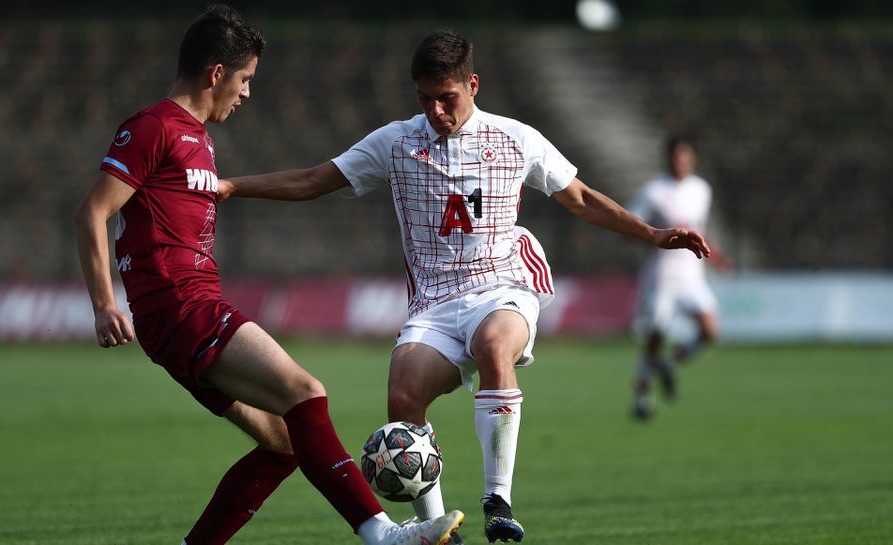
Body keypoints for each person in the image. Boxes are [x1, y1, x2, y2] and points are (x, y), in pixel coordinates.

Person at [217, 30, 710, 544]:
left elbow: (580, 198)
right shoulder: (395, 142)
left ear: (472, 85)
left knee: (495, 346)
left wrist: (652, 234)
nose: (435, 109)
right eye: (424, 98)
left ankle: (498, 500)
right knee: (403, 395)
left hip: (503, 286)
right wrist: (235, 184)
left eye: (446, 97)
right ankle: (436, 527)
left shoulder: (516, 138)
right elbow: (314, 179)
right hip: (433, 303)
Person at [73, 7, 464, 545]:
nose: (247, 92)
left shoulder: (198, 138)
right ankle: (383, 534)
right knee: (305, 392)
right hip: (180, 306)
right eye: (245, 79)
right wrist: (103, 304)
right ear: (216, 74)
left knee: (283, 442)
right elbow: (93, 211)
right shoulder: (154, 128)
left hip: (181, 313)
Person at [628, 135, 732, 420]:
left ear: (693, 159)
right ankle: (642, 396)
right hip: (660, 275)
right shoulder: (653, 192)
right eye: (676, 156)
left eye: (685, 156)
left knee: (710, 331)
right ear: (668, 158)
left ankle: (670, 365)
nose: (680, 161)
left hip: (691, 274)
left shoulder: (701, 189)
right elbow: (632, 225)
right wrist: (650, 238)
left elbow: (699, 229)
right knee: (655, 336)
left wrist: (717, 257)